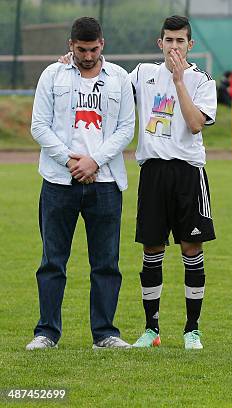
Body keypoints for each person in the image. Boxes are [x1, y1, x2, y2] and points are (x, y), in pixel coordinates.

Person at [27, 17, 134, 350]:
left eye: (93, 49)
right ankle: (46, 333)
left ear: (102, 43)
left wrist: (94, 161)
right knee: (52, 262)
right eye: (81, 49)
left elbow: (126, 129)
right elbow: (39, 126)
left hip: (104, 183)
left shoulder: (118, 78)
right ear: (70, 45)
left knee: (106, 263)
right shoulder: (52, 75)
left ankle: (105, 334)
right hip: (59, 183)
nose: (88, 56)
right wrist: (70, 161)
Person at [125, 16, 217, 350]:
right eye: (169, 40)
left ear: (190, 45)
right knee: (152, 250)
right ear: (159, 43)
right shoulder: (142, 74)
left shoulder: (201, 81)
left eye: (180, 41)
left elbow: (195, 125)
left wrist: (179, 82)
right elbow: (107, 81)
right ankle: (151, 329)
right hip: (153, 173)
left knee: (192, 249)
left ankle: (192, 329)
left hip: (188, 175)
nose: (174, 47)